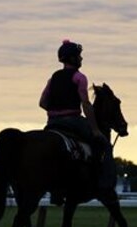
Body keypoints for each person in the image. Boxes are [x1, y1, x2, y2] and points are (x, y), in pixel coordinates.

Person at [39, 39, 114, 203]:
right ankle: (103, 184)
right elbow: (86, 104)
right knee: (103, 144)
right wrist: (95, 129)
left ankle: (55, 191)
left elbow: (42, 103)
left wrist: (56, 111)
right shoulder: (79, 77)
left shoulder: (52, 79)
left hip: (52, 123)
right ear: (72, 58)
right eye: (79, 56)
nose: (81, 59)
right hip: (73, 121)